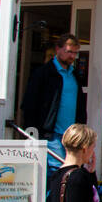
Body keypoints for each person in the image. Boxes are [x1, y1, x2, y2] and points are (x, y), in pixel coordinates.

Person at [22, 34, 86, 181]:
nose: (72, 56)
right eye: (69, 51)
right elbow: (30, 103)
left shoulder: (74, 74)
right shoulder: (43, 73)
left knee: (71, 173)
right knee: (57, 174)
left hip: (72, 135)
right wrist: (33, 132)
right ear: (58, 49)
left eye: (75, 53)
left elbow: (80, 105)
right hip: (51, 135)